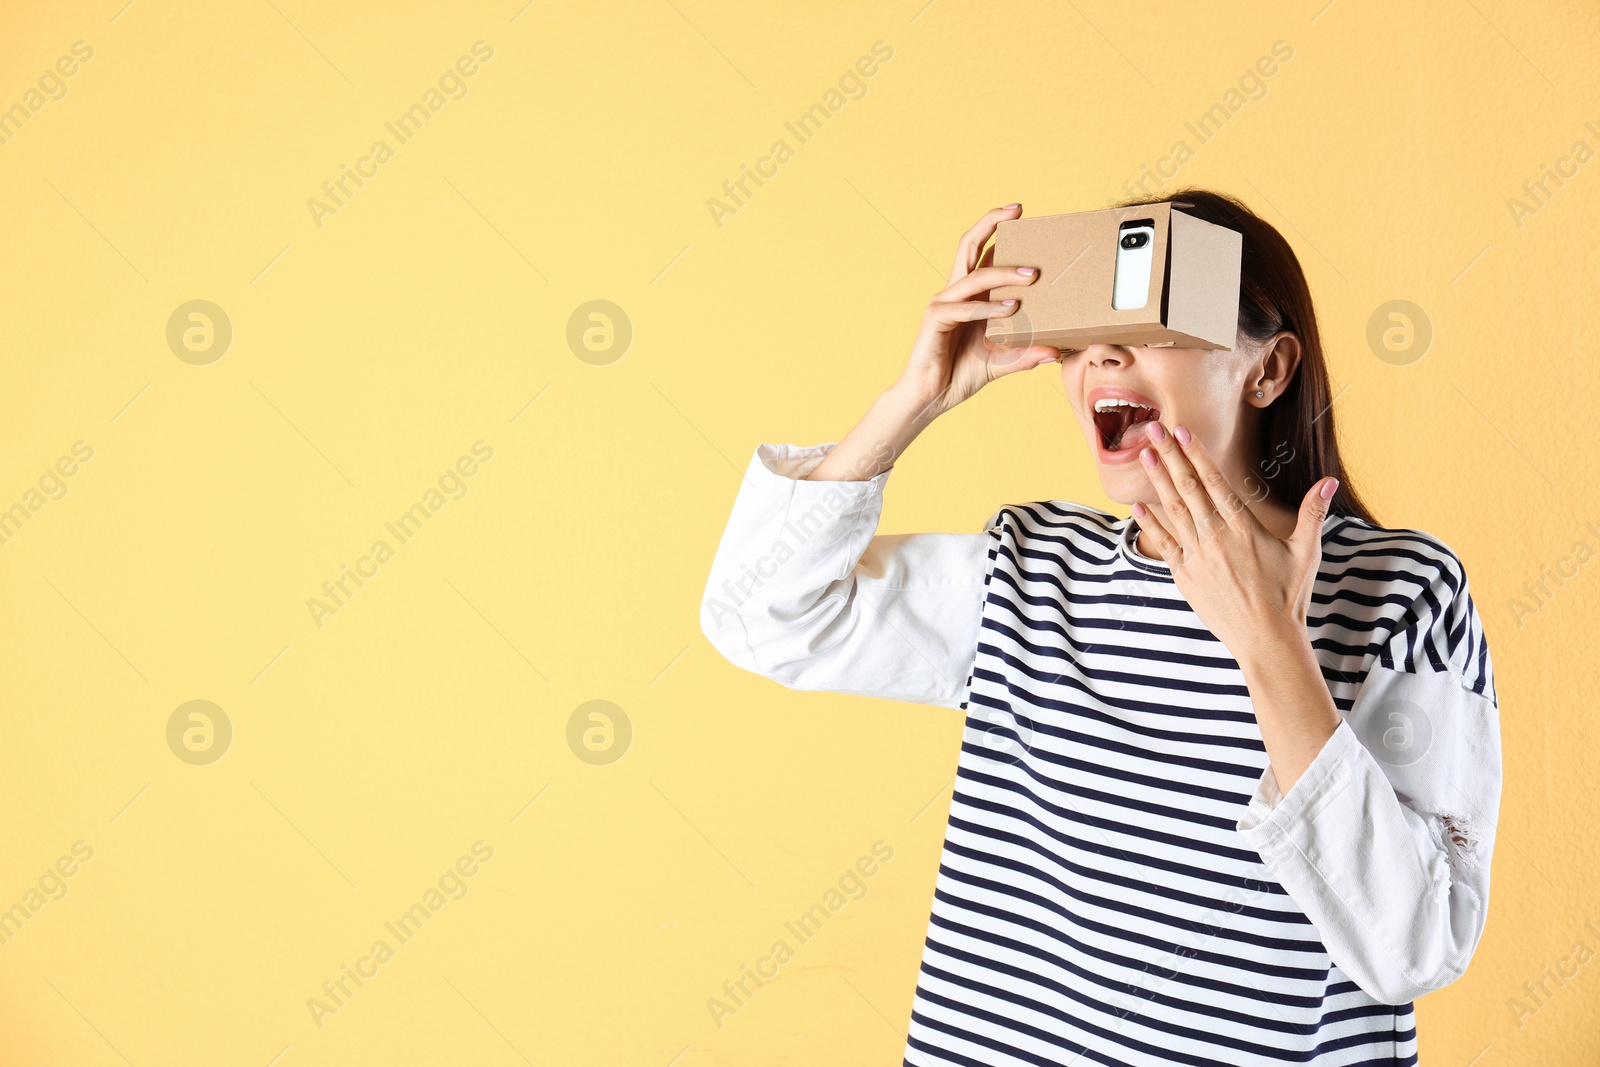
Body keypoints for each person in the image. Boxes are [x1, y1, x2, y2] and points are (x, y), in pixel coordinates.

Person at [698, 189, 1501, 1065]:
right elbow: (758, 615)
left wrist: (1270, 644)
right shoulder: (1033, 568)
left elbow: (1416, 946)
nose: (1106, 355)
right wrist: (914, 396)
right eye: (1085, 337)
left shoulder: (1402, 588)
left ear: (1268, 371)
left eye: (1159, 326)